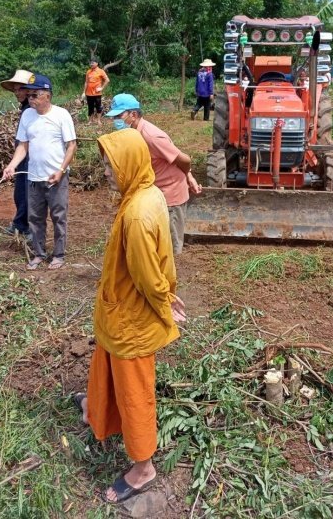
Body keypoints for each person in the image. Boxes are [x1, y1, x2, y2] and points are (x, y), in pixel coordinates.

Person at [75, 128, 186, 504]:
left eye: (110, 163)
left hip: (132, 321)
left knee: (135, 392)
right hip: (118, 313)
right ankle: (96, 408)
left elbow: (146, 274)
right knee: (103, 364)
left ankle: (143, 467)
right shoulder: (147, 191)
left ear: (130, 163)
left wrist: (165, 304)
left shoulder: (137, 214)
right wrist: (167, 294)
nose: (105, 170)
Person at [106, 93, 202, 255]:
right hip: (154, 194)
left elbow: (183, 159)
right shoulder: (133, 135)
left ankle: (168, 278)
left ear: (133, 115)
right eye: (113, 117)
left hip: (170, 196)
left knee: (169, 247)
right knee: (155, 244)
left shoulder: (151, 136)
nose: (115, 120)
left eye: (118, 116)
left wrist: (189, 177)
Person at [3, 74, 77, 270]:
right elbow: (23, 146)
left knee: (58, 216)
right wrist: (12, 165)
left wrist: (61, 171)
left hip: (56, 178)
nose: (31, 99)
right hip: (33, 177)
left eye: (35, 95)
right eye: (29, 95)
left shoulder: (62, 115)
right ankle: (39, 253)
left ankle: (59, 254)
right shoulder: (27, 115)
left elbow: (71, 146)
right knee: (35, 218)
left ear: (47, 95)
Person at [0, 69, 35, 238]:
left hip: (31, 157)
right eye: (14, 89)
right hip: (22, 157)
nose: (16, 93)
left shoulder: (33, 109)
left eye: (20, 89)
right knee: (20, 192)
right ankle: (20, 223)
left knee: (28, 193)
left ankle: (27, 227)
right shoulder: (25, 108)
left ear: (29, 89)